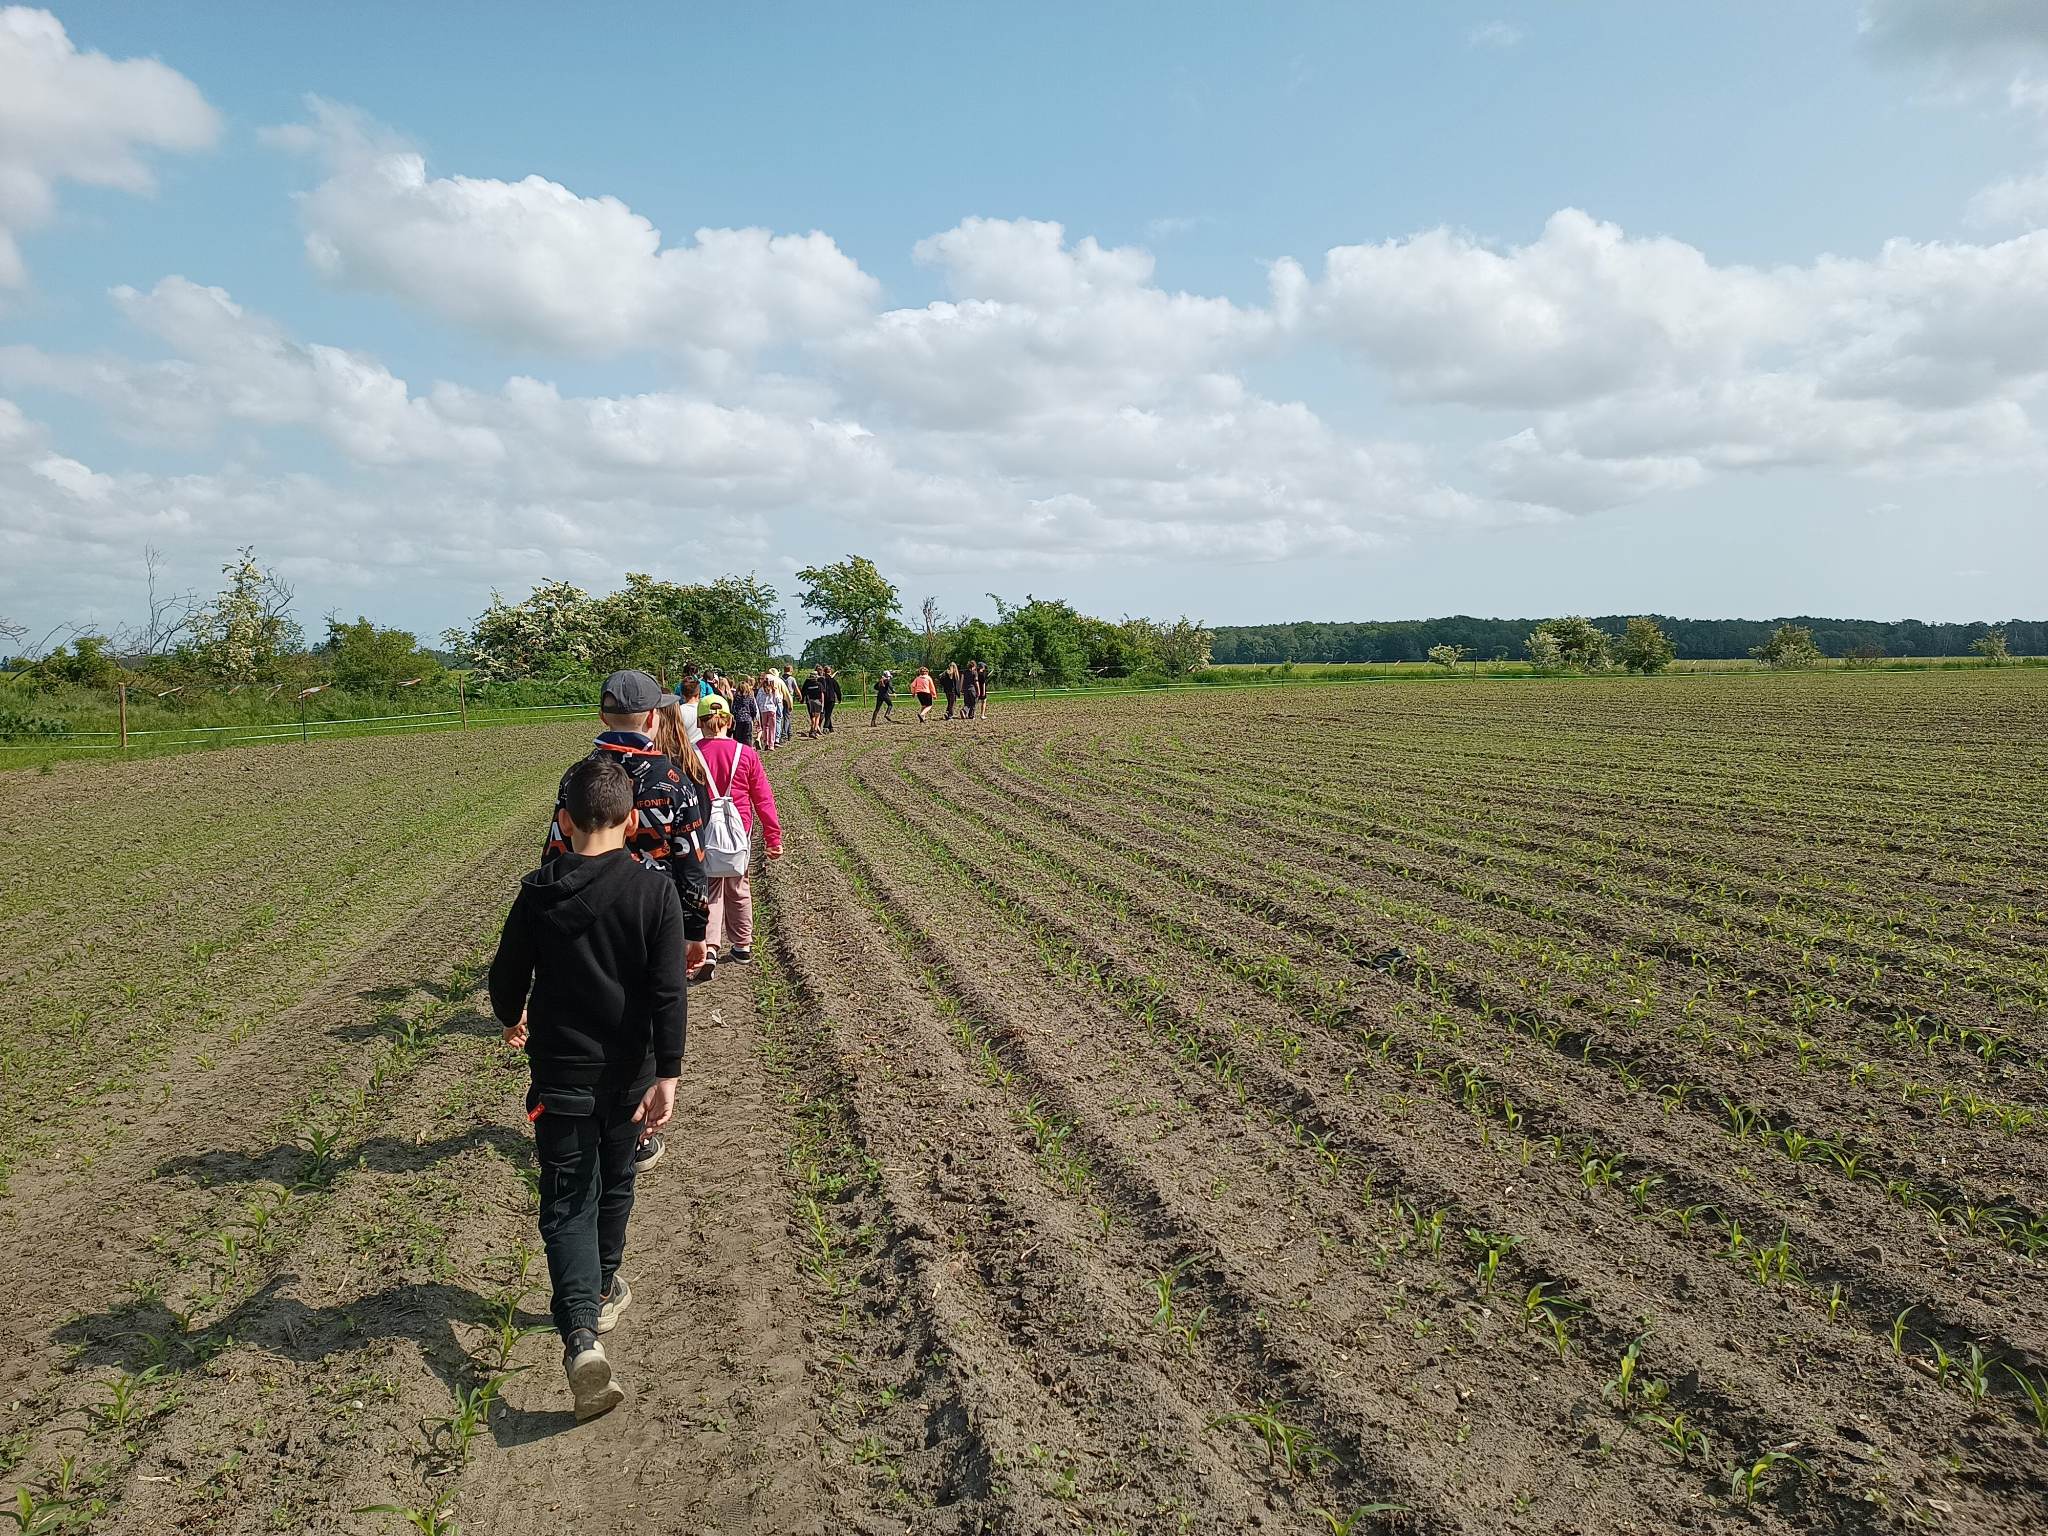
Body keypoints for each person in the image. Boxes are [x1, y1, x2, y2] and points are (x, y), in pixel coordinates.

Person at [491, 754, 684, 1423]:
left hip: (561, 1079)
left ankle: (580, 1338)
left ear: (564, 821)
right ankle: (602, 1286)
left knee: (568, 1198)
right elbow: (667, 994)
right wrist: (668, 1075)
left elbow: (503, 980)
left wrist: (513, 1017)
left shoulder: (537, 892)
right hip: (630, 1080)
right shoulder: (653, 892)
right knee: (619, 1180)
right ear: (633, 821)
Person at [543, 670, 707, 1172]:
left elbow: (554, 850)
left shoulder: (577, 778)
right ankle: (633, 1131)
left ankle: (584, 1119)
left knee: (593, 1009)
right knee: (649, 1014)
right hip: (650, 919)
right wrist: (696, 931)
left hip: (585, 918)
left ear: (600, 716)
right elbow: (690, 860)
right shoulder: (672, 780)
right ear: (655, 719)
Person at [692, 695, 782, 982]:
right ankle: (742, 944)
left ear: (699, 722)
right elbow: (763, 798)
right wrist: (773, 836)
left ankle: (709, 947)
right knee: (739, 884)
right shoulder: (746, 754)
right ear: (730, 721)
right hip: (738, 829)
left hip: (703, 829)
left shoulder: (690, 755)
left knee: (709, 888)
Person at [754, 674, 779, 755]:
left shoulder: (761, 690)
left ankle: (766, 743)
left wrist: (760, 708)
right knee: (772, 727)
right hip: (771, 709)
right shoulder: (774, 689)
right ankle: (771, 744)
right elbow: (777, 699)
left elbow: (758, 700)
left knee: (765, 727)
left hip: (763, 710)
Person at [801, 669, 826, 738]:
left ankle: (812, 729)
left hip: (810, 701)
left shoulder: (808, 685)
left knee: (813, 716)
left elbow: (805, 693)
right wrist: (822, 703)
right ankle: (814, 731)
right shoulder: (819, 684)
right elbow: (822, 694)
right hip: (818, 701)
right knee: (817, 717)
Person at [821, 666, 842, 732]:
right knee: (828, 713)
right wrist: (839, 698)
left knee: (827, 713)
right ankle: (826, 727)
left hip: (824, 699)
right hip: (831, 699)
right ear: (830, 671)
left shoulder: (822, 680)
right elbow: (837, 690)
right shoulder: (833, 681)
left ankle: (831, 727)